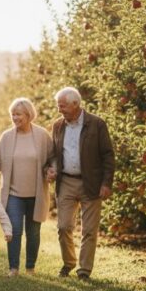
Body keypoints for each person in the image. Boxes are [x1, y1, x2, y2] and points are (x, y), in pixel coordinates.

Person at [46, 87, 115, 281]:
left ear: (75, 104)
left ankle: (84, 271)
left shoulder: (97, 124)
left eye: (63, 106)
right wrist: (51, 167)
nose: (60, 110)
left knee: (89, 230)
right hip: (66, 180)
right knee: (63, 226)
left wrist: (106, 182)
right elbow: (53, 153)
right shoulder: (58, 125)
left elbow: (108, 155)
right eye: (58, 106)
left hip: (91, 182)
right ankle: (69, 262)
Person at [0, 98, 54, 277]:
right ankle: (13, 268)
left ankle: (30, 267)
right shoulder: (7, 137)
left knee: (33, 233)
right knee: (15, 229)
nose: (15, 117)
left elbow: (53, 158)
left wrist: (52, 169)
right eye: (13, 114)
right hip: (14, 193)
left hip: (36, 193)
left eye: (18, 114)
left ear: (29, 115)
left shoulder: (42, 135)